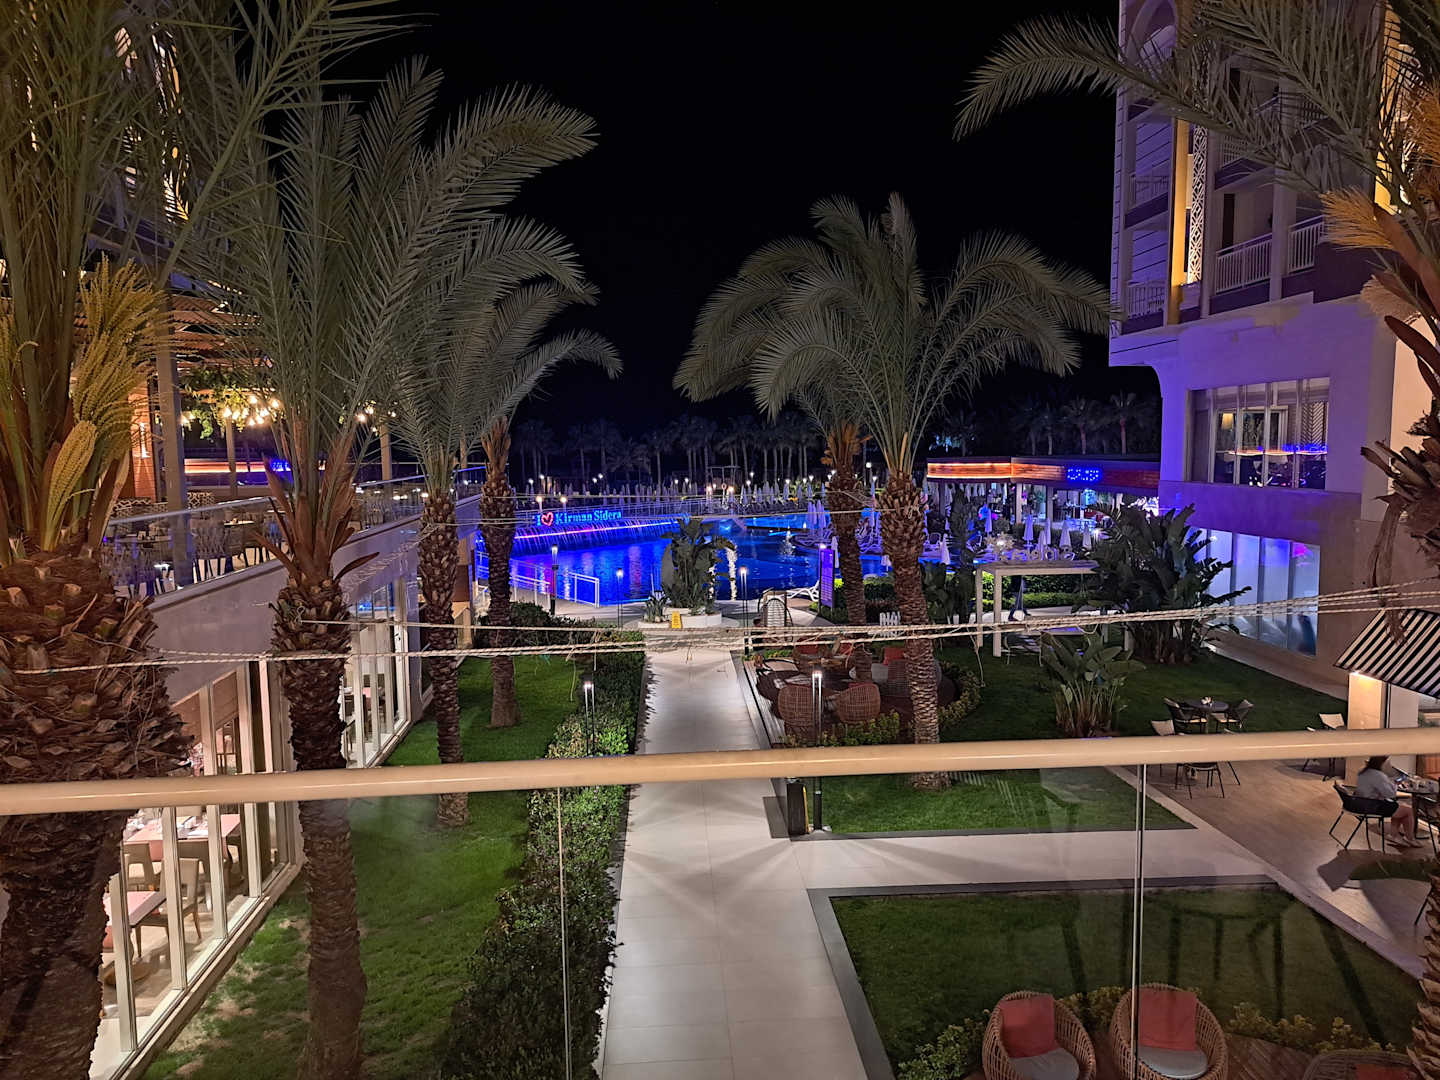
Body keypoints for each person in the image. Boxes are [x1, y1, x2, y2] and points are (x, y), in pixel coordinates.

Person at [1356, 756, 1417, 847]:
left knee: (1399, 806)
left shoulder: (1363, 771)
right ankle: (1410, 838)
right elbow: (1390, 794)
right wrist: (1395, 784)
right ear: (1382, 763)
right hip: (1373, 806)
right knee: (1408, 811)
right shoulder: (1378, 775)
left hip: (1361, 803)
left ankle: (1393, 835)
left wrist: (1388, 782)